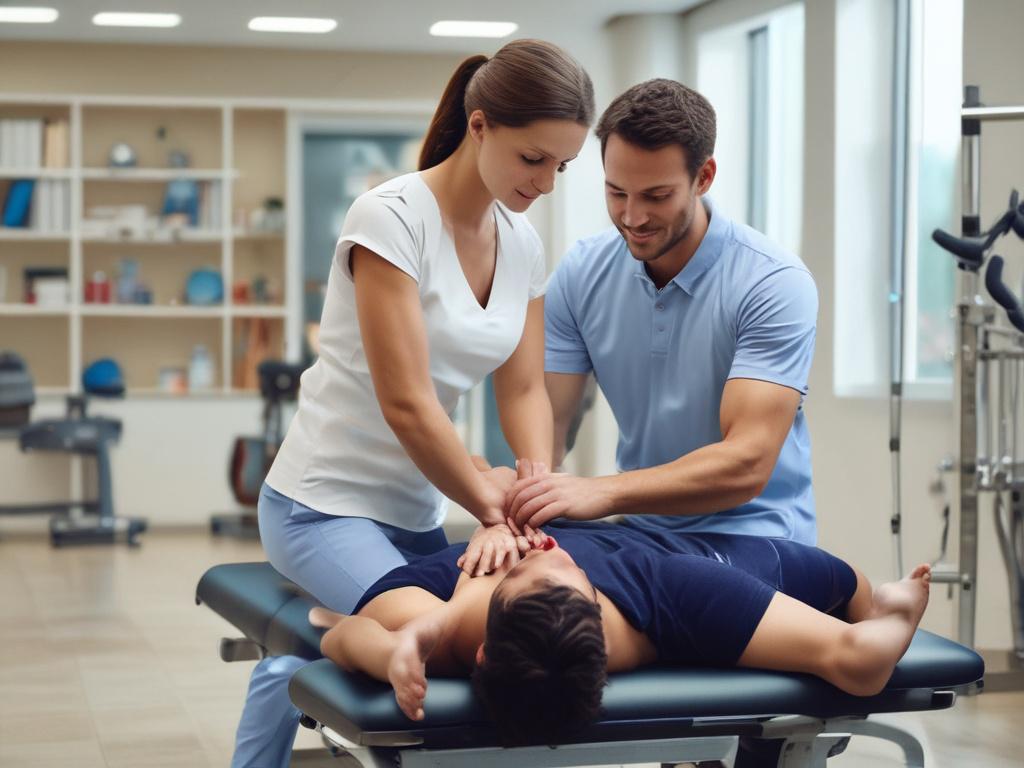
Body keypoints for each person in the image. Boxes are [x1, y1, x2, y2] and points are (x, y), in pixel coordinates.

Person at [229, 39, 595, 768]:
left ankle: (310, 649)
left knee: (485, 627)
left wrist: (532, 489)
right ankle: (299, 666)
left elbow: (523, 387)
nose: (547, 182)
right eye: (534, 159)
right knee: (460, 644)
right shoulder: (389, 218)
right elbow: (407, 402)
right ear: (482, 125)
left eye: (562, 165)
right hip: (321, 504)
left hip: (416, 512)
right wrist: (493, 510)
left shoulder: (520, 243)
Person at [505, 79, 820, 546]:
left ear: (704, 177)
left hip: (755, 536)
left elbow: (747, 462)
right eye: (616, 193)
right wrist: (530, 503)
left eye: (656, 196)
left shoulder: (772, 282)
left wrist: (602, 492)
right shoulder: (582, 271)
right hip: (641, 532)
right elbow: (548, 423)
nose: (632, 217)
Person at [311, 518, 933, 746]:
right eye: (546, 568)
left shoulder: (431, 617)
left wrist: (404, 641)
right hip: (660, 554)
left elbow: (339, 639)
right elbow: (859, 661)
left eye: (543, 566)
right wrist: (901, 612)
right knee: (850, 593)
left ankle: (873, 592)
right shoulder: (665, 598)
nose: (549, 550)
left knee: (846, 587)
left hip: (619, 540)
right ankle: (884, 594)